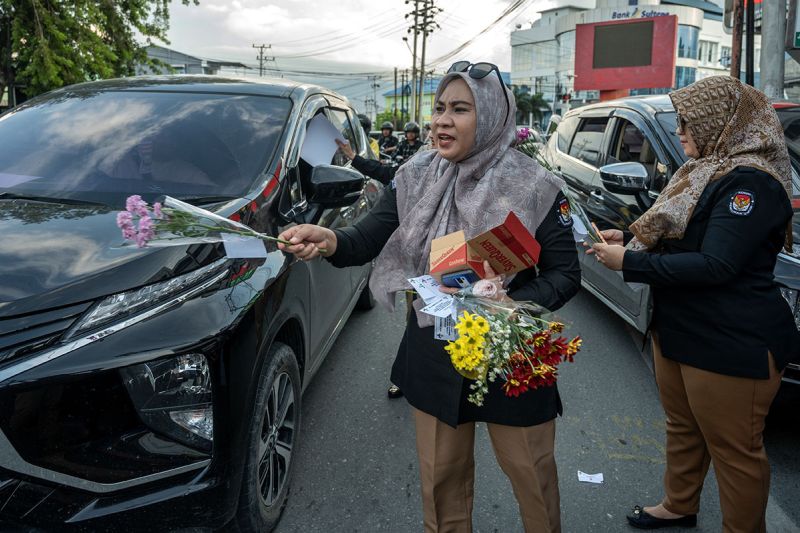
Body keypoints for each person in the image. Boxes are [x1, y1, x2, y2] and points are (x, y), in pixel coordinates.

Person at [279, 61, 580, 532]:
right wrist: (330, 240)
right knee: (441, 483)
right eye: (439, 107)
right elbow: (367, 237)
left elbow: (565, 274)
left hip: (511, 350)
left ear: (493, 115)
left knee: (532, 476)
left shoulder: (535, 185)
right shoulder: (415, 175)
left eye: (460, 109)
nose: (442, 120)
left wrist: (511, 305)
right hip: (437, 348)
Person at [589, 76, 800, 532]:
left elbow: (716, 264)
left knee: (734, 449)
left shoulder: (751, 183)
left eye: (689, 121)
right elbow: (687, 232)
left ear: (718, 122)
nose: (681, 130)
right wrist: (629, 237)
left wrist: (629, 262)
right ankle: (679, 505)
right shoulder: (705, 169)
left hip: (730, 342)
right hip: (682, 328)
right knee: (683, 428)